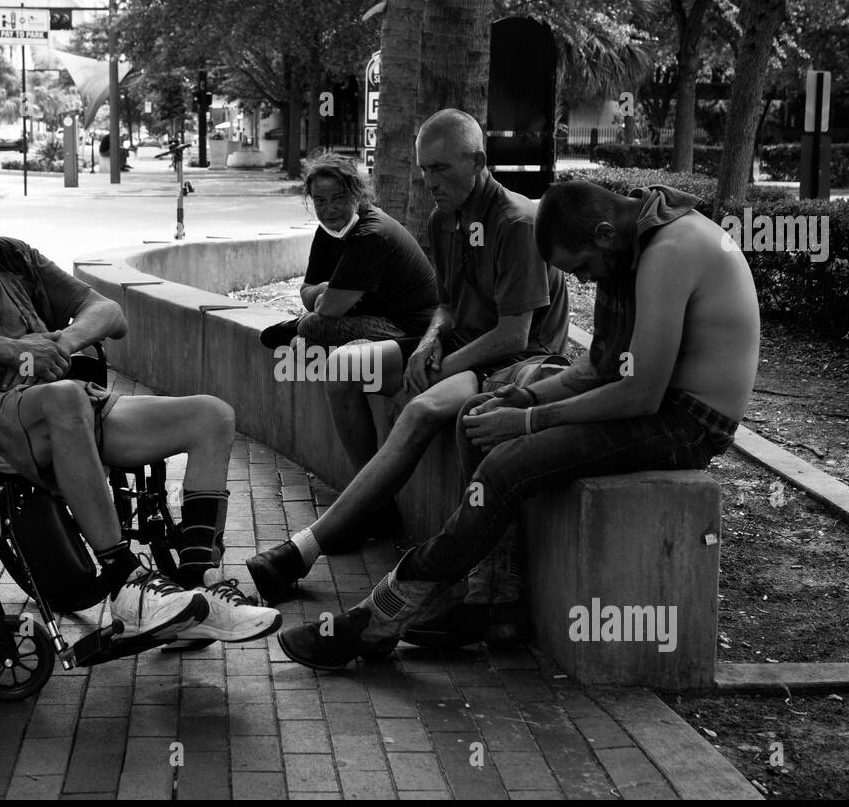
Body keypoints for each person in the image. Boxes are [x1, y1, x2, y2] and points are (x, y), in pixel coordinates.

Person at [276, 179, 761, 670]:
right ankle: (493, 603)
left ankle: (379, 615)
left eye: (583, 268)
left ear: (604, 233)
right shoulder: (633, 240)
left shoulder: (670, 251)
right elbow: (599, 368)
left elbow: (640, 392)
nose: (589, 281)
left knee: (506, 466)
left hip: (690, 423)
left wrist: (530, 420)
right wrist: (522, 397)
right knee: (477, 417)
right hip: (657, 405)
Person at [0, 154, 277, 650]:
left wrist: (60, 344)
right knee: (63, 398)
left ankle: (201, 589)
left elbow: (109, 312)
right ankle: (127, 582)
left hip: (67, 404)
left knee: (212, 415)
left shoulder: (11, 256)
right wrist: (17, 351)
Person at [247, 109, 570, 642]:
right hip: (457, 351)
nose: (430, 182)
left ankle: (305, 549)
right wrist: (426, 344)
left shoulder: (516, 222)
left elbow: (514, 336)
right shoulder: (444, 218)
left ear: (479, 162)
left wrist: (440, 363)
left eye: (441, 169)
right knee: (344, 369)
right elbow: (445, 305)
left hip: (513, 365)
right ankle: (373, 512)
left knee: (417, 411)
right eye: (424, 171)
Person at [258, 152, 438, 355]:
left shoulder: (371, 233)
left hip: (408, 327)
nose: (330, 209)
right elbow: (307, 292)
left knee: (311, 327)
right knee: (305, 330)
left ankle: (299, 328)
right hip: (367, 314)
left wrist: (328, 297)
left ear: (356, 194)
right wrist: (327, 290)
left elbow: (328, 309)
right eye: (320, 201)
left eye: (338, 198)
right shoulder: (329, 230)